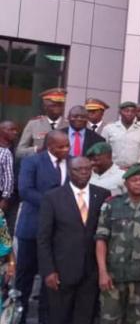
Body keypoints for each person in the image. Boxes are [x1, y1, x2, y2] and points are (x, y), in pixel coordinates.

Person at [38, 156, 110, 323]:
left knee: (85, 317)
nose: (84, 173)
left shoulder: (102, 194)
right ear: (70, 172)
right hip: (62, 270)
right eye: (79, 169)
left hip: (91, 271)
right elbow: (43, 238)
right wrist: (48, 270)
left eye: (87, 169)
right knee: (60, 317)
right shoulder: (53, 197)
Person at [95, 165, 140, 324]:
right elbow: (101, 239)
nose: (139, 183)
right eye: (134, 180)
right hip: (114, 275)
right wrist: (102, 272)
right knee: (110, 319)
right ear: (126, 184)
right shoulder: (112, 205)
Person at [17, 130, 70, 322]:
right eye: (61, 146)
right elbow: (25, 190)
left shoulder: (73, 163)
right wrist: (53, 206)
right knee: (25, 277)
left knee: (51, 279)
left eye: (68, 145)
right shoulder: (32, 162)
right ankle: (19, 316)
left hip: (59, 232)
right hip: (33, 228)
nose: (66, 149)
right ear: (50, 147)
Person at [16, 88, 68, 159]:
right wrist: (36, 150)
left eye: (60, 105)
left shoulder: (69, 125)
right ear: (45, 107)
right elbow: (19, 152)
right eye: (53, 105)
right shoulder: (34, 124)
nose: (57, 108)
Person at [102, 101, 140, 171]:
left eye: (133, 111)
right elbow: (103, 152)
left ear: (136, 113)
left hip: (135, 170)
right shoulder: (109, 129)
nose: (129, 114)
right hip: (114, 170)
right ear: (120, 112)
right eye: (126, 111)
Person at [0, 121, 19, 212]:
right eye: (11, 130)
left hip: (15, 193)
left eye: (16, 130)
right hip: (4, 193)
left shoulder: (18, 147)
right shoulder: (3, 151)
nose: (15, 132)